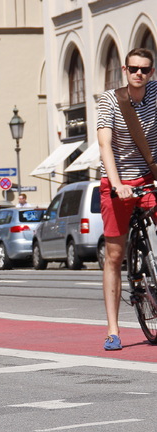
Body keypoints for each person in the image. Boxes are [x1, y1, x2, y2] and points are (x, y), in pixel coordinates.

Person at [97, 47, 157, 351]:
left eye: (145, 70)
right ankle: (113, 330)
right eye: (134, 69)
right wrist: (118, 184)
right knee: (115, 255)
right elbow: (105, 145)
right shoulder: (109, 100)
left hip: (149, 178)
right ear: (125, 69)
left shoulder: (156, 94)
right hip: (118, 181)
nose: (139, 74)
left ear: (152, 72)